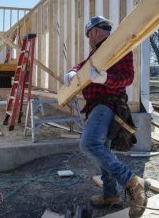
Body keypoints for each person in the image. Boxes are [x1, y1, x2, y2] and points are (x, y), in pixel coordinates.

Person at [64, 16, 149, 218]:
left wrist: (105, 79)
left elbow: (127, 77)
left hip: (107, 103)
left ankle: (132, 182)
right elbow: (83, 64)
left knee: (90, 144)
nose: (90, 39)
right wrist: (73, 70)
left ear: (93, 33)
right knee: (104, 150)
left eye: (89, 35)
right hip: (97, 106)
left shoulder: (117, 48)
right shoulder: (96, 53)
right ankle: (111, 195)